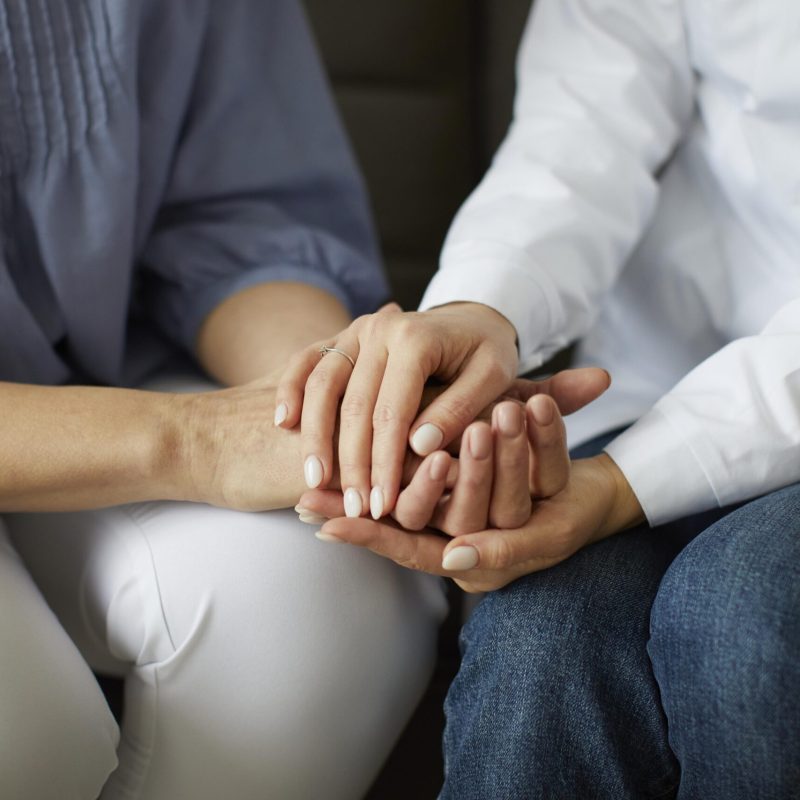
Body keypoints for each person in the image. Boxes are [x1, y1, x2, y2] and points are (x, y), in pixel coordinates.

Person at [280, 0, 800, 797]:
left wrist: (623, 484)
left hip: (690, 429)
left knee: (744, 616)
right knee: (542, 625)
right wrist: (481, 309)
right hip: (665, 378)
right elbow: (588, 111)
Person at [0, 1, 454, 798]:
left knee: (330, 607)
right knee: (31, 737)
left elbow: (235, 217)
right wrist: (193, 441)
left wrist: (343, 401)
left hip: (113, 361)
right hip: (113, 417)